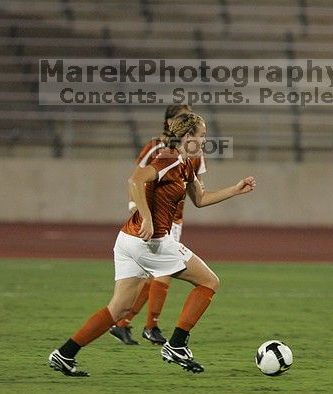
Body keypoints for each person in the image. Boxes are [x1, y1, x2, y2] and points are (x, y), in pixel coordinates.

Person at [48, 113, 256, 375]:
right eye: (202, 135)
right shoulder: (168, 158)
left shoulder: (187, 163)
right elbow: (135, 180)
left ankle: (65, 354)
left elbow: (200, 199)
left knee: (119, 307)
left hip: (127, 241)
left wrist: (236, 190)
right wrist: (146, 217)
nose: (205, 140)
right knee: (209, 282)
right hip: (150, 242)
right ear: (188, 136)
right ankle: (177, 345)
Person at [109, 104, 207, 346]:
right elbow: (136, 179)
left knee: (156, 275)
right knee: (161, 273)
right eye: (181, 117)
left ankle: (127, 323)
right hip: (154, 220)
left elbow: (196, 187)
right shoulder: (155, 148)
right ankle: (147, 325)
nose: (185, 120)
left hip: (176, 219)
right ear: (170, 122)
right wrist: (137, 210)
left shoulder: (194, 151)